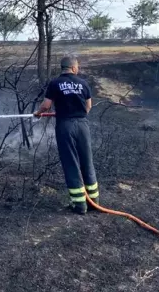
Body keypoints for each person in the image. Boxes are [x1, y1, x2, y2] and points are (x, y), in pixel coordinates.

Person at [34, 55, 99, 215]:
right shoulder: (83, 83)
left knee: (71, 162)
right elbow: (88, 106)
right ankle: (94, 202)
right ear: (74, 68)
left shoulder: (55, 83)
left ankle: (80, 205)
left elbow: (47, 105)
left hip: (65, 126)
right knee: (87, 160)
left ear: (62, 68)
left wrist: (38, 113)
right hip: (82, 125)